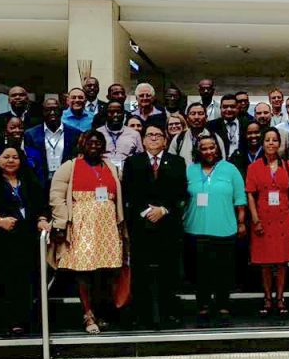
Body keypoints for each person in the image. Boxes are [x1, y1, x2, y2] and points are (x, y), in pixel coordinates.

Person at [49, 130, 125, 335]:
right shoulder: (70, 166)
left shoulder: (111, 167)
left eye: (98, 143)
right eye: (90, 142)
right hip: (81, 225)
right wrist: (61, 222)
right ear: (82, 145)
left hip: (107, 226)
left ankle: (102, 312)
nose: (94, 146)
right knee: (83, 271)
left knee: (105, 270)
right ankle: (88, 314)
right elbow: (56, 195)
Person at [121, 123, 189, 330]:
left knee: (168, 270)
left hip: (168, 225)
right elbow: (129, 193)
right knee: (141, 271)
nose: (153, 138)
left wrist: (163, 210)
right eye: (149, 135)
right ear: (142, 140)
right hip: (141, 225)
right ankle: (142, 314)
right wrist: (146, 212)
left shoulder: (177, 162)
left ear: (165, 140)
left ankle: (168, 312)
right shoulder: (133, 162)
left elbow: (181, 192)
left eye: (158, 135)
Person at [0, 146, 50, 336]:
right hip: (0, 239)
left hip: (26, 238)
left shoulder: (30, 180)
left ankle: (23, 321)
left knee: (25, 281)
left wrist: (42, 219)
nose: (11, 161)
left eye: (15, 157)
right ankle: (4, 323)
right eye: (6, 157)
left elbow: (41, 205)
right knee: (2, 281)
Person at [183, 135, 246, 322]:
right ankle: (202, 304)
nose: (208, 151)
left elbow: (240, 199)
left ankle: (223, 303)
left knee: (223, 269)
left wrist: (241, 222)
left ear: (217, 149)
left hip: (224, 228)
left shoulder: (230, 169)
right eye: (204, 148)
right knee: (200, 270)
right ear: (198, 151)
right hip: (196, 228)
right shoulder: (190, 170)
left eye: (212, 147)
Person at [245, 128, 289, 317]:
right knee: (265, 263)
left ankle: (281, 298)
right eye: (267, 140)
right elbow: (250, 195)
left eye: (274, 140)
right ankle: (268, 298)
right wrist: (255, 219)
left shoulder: (288, 167)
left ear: (280, 144)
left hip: (283, 219)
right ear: (262, 143)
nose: (271, 143)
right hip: (262, 218)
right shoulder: (254, 167)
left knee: (282, 262)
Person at [25, 97, 82, 185]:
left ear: (62, 112)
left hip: (66, 181)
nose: (52, 113)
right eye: (48, 110)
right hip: (40, 184)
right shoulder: (31, 134)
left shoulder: (75, 133)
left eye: (55, 109)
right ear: (42, 112)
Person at [0, 117, 46, 185]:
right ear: (5, 131)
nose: (17, 130)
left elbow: (40, 179)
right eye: (13, 127)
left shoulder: (34, 153)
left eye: (20, 127)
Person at [96, 100, 143, 168]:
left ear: (124, 114)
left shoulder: (135, 134)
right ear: (106, 114)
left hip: (127, 171)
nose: (115, 115)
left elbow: (140, 158)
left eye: (118, 112)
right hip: (103, 170)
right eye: (111, 112)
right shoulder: (97, 133)